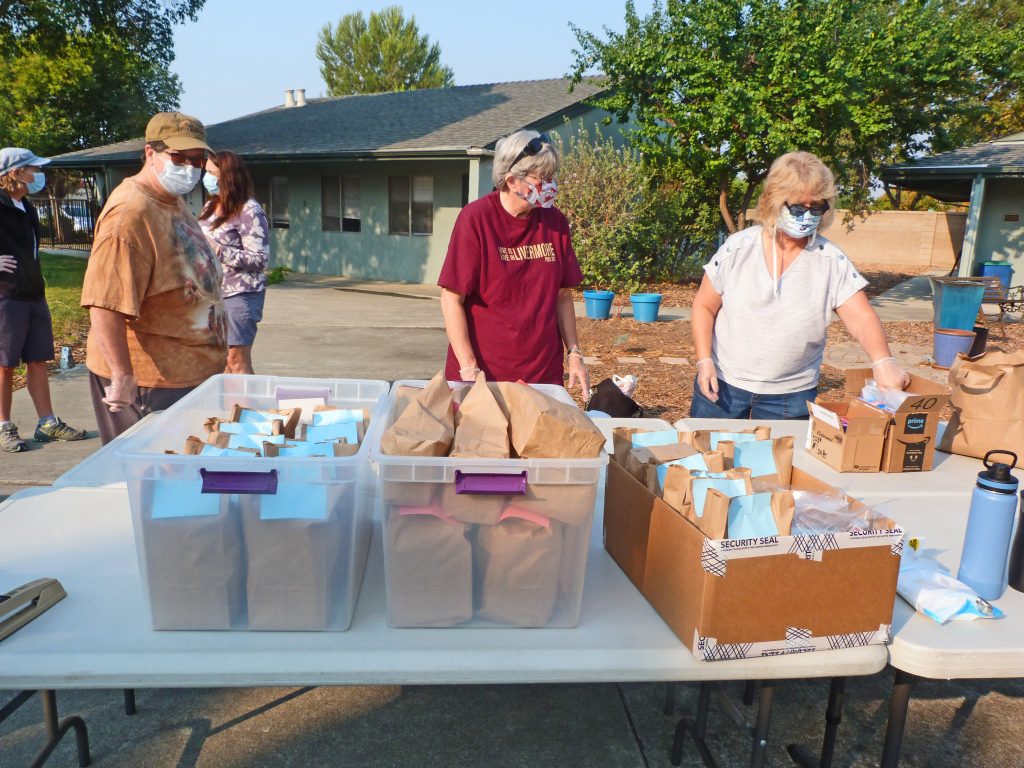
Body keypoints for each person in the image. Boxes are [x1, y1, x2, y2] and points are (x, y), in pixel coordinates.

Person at [690, 150, 910, 420]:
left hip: (789, 395)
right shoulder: (738, 248)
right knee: (705, 459)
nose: (806, 216)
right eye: (797, 208)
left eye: (816, 208)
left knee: (778, 463)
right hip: (722, 383)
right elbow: (704, 306)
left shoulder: (830, 260)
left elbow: (862, 318)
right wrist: (704, 361)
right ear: (774, 201)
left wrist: (883, 362)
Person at [81, 112, 227, 444]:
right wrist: (121, 375)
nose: (190, 167)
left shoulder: (172, 201)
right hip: (152, 385)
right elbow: (105, 304)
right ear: (150, 153)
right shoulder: (131, 214)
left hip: (191, 376)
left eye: (198, 158)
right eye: (179, 157)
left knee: (187, 482)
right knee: (158, 482)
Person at [438, 130, 589, 393]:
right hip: (485, 374)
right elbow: (451, 298)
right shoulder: (476, 220)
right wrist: (469, 368)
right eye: (542, 178)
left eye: (552, 176)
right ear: (511, 180)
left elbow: (563, 295)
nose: (550, 184)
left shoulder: (555, 222)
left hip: (543, 374)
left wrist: (574, 353)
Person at [0, 148, 88, 452]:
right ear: (15, 173)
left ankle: (47, 423)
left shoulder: (26, 205)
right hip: (6, 296)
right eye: (33, 168)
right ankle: (4, 427)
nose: (38, 174)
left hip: (34, 293)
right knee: (5, 364)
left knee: (38, 359)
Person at [198, 150, 269, 375]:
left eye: (210, 172)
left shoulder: (249, 210)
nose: (205, 177)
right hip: (213, 294)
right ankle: (231, 409)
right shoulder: (210, 207)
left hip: (240, 294)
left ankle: (248, 409)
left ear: (226, 177)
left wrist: (219, 249)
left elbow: (259, 259)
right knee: (222, 362)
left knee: (236, 359)